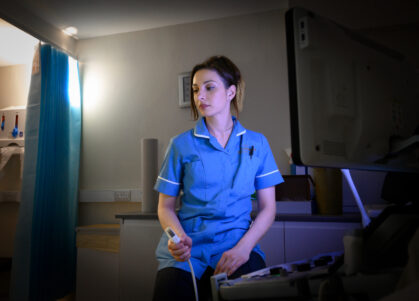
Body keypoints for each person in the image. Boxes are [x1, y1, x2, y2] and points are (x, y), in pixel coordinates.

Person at [152, 55, 284, 301]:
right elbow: (165, 207)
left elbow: (268, 209)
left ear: (230, 92)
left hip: (237, 244)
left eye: (209, 87)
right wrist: (178, 239)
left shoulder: (257, 143)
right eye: (195, 89)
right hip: (188, 249)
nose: (199, 96)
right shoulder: (181, 145)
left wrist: (243, 250)